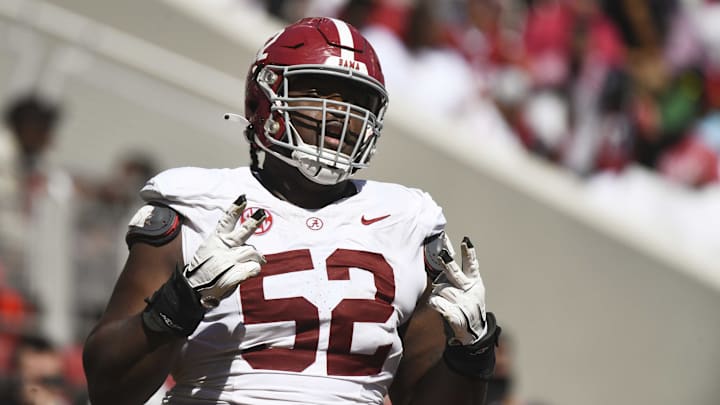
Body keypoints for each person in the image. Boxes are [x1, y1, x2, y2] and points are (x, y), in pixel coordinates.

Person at [83, 17, 501, 405]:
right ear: (263, 98)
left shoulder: (407, 222)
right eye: (317, 91)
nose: (339, 113)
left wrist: (472, 352)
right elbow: (109, 388)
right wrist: (181, 301)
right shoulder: (199, 204)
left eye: (357, 100)